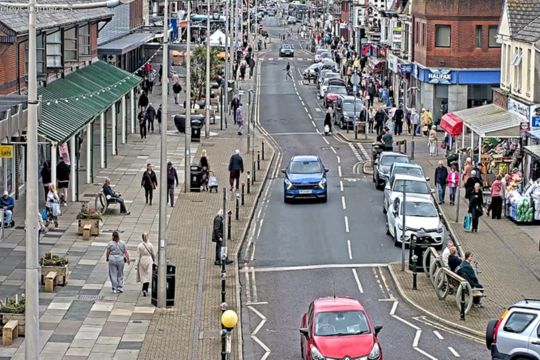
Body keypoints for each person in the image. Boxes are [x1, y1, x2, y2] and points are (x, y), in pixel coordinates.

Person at [136, 233, 155, 297]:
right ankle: (145, 289)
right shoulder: (150, 245)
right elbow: (153, 253)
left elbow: (138, 256)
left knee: (143, 275)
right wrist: (154, 260)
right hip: (149, 260)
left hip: (142, 260)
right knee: (148, 275)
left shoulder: (139, 246)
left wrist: (137, 264)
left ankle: (144, 289)